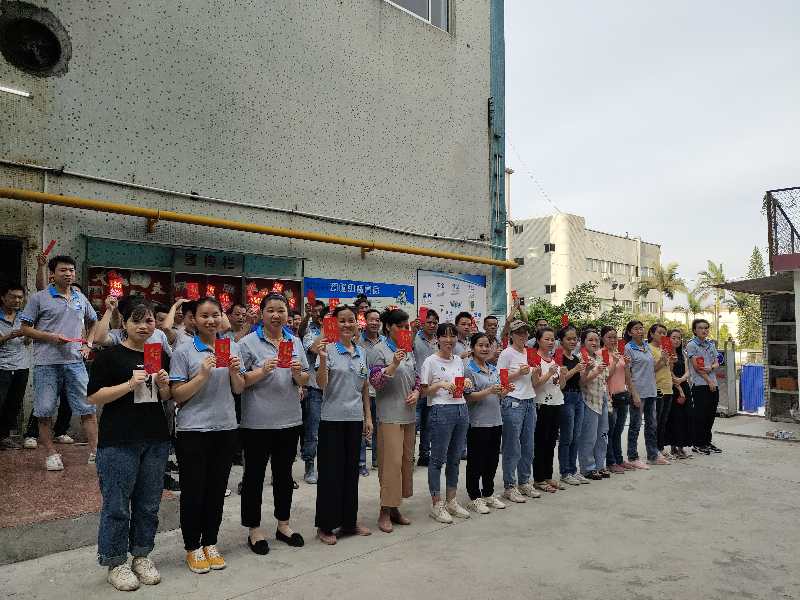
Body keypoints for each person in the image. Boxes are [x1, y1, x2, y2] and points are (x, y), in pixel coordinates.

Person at [87, 301, 172, 591]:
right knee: (117, 505)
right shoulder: (109, 356)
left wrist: (164, 384)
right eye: (137, 320)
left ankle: (141, 555)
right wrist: (128, 384)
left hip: (155, 438)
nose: (144, 326)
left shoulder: (157, 354)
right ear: (124, 323)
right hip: (119, 440)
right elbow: (93, 397)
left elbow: (165, 397)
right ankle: (115, 561)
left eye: (149, 320)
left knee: (148, 504)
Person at [169, 297, 245, 574]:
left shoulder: (231, 346)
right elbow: (177, 395)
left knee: (216, 490)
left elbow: (239, 389)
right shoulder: (184, 350)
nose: (211, 321)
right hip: (193, 430)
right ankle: (192, 546)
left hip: (225, 427)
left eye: (215, 315)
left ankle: (210, 542)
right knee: (193, 491)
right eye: (204, 316)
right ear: (194, 319)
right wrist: (202, 375)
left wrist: (235, 372)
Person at [238, 293, 309, 555]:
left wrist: (297, 373)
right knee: (254, 477)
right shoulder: (247, 343)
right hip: (257, 423)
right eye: (271, 310)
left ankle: (283, 525)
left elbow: (304, 380)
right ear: (261, 314)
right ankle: (254, 529)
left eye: (281, 310)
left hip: (289, 420)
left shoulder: (294, 341)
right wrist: (262, 370)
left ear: (288, 315)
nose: (276, 315)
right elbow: (239, 382)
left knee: (284, 476)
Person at [20, 254, 99, 471]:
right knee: (44, 410)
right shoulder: (39, 298)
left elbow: (93, 322)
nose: (68, 274)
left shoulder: (80, 298)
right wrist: (50, 337)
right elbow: (25, 328)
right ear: (52, 274)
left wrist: (88, 344)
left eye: (71, 270)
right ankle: (51, 454)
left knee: (88, 407)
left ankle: (95, 451)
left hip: (75, 362)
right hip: (46, 363)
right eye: (63, 270)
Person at [314, 304, 373, 545]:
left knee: (351, 473)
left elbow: (364, 387)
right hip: (332, 420)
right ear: (334, 323)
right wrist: (322, 359)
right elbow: (321, 384)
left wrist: (368, 417)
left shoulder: (362, 352)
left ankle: (349, 522)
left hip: (354, 420)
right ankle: (326, 525)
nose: (347, 324)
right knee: (331, 474)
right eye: (342, 320)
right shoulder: (327, 349)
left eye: (351, 320)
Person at [367, 308, 419, 532]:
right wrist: (394, 363)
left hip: (409, 415)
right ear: (389, 327)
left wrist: (416, 392)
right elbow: (375, 383)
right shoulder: (378, 350)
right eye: (401, 326)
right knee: (391, 464)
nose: (405, 330)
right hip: (390, 415)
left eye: (407, 327)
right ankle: (384, 511)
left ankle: (395, 506)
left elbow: (416, 378)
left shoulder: (409, 350)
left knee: (406, 462)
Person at [420, 322, 472, 523]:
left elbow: (460, 385)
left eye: (453, 336)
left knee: (455, 458)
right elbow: (424, 391)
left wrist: (465, 383)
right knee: (437, 460)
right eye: (445, 336)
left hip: (461, 408)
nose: (449, 340)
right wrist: (440, 384)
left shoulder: (458, 360)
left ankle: (451, 500)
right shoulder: (430, 361)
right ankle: (436, 504)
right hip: (441, 410)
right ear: (438, 339)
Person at [496, 320, 542, 503]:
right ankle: (510, 486)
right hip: (513, 401)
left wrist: (537, 372)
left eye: (525, 333)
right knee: (512, 446)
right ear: (512, 335)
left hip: (530, 401)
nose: (523, 336)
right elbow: (500, 379)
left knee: (528, 446)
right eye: (519, 332)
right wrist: (517, 373)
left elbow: (535, 381)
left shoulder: (530, 352)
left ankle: (524, 482)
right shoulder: (506, 353)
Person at [464, 332, 510, 514]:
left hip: (495, 420)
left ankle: (488, 493)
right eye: (480, 345)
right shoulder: (469, 369)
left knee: (492, 460)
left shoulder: (493, 368)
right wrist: (489, 390)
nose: (484, 349)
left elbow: (500, 394)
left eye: (487, 345)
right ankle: (474, 497)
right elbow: (468, 397)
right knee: (476, 461)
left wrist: (505, 390)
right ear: (472, 348)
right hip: (478, 422)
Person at [529, 327, 566, 492]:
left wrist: (562, 374)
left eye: (552, 339)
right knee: (541, 442)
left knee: (551, 442)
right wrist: (549, 373)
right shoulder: (534, 359)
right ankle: (538, 479)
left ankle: (548, 476)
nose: (551, 342)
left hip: (556, 403)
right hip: (541, 404)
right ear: (538, 340)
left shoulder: (554, 360)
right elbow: (535, 384)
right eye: (547, 339)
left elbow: (561, 386)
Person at [623, 320, 663, 468]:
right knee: (635, 425)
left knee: (652, 425)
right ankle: (633, 457)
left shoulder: (646, 346)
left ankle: (653, 455)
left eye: (641, 328)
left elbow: (652, 368)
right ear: (629, 332)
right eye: (636, 329)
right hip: (638, 392)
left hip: (651, 391)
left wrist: (663, 360)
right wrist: (634, 393)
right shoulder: (628, 348)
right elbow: (627, 373)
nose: (640, 331)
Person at [577, 329, 612, 480]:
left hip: (602, 399)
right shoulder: (580, 358)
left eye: (596, 340)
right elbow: (582, 382)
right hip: (588, 400)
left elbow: (605, 380)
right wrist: (596, 371)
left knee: (603, 435)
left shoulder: (599, 357)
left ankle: (600, 465)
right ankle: (588, 468)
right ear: (583, 342)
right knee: (589, 436)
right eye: (590, 340)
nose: (594, 342)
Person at [601, 326, 635, 474]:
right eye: (609, 337)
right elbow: (605, 376)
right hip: (610, 397)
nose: (613, 340)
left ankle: (619, 459)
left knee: (619, 430)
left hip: (622, 396)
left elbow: (627, 376)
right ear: (603, 338)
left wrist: (626, 364)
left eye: (615, 337)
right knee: (610, 431)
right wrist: (614, 362)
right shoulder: (601, 354)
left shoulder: (619, 353)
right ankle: (611, 461)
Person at [0, 283, 29, 450]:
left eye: (20, 297)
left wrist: (28, 335)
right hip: (2, 367)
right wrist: (8, 336)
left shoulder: (24, 317)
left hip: (21, 366)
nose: (17, 300)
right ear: (3, 297)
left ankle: (4, 437)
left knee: (13, 404)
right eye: (13, 297)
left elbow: (27, 342)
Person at [686, 319, 722, 454]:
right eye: (700, 328)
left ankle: (707, 442)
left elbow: (717, 362)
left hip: (713, 384)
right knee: (700, 416)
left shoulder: (710, 344)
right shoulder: (692, 345)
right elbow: (697, 368)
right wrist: (709, 381)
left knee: (710, 415)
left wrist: (711, 367)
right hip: (700, 385)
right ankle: (698, 444)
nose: (704, 330)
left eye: (706, 328)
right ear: (694, 330)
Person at [300, 299, 326, 484]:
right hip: (314, 387)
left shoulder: (339, 334)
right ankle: (309, 466)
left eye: (320, 311)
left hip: (332, 388)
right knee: (313, 431)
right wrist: (326, 329)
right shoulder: (310, 331)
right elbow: (315, 348)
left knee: (329, 431)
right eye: (314, 311)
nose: (317, 314)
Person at [557, 325, 586, 485]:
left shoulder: (576, 358)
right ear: (561, 341)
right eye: (569, 339)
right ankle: (565, 471)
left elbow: (581, 382)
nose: (573, 341)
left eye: (575, 339)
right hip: (566, 397)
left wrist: (586, 370)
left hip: (578, 396)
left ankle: (573, 470)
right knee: (567, 436)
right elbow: (561, 380)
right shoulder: (559, 357)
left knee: (576, 436)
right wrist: (575, 369)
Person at [357, 308, 383, 475]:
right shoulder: (357, 341)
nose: (374, 322)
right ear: (365, 321)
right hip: (362, 391)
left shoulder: (385, 341)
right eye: (371, 319)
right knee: (362, 428)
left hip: (380, 391)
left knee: (378, 428)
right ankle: (361, 463)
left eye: (377, 320)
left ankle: (377, 459)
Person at [413, 308, 438, 467]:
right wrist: (412, 332)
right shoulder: (415, 337)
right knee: (414, 423)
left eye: (435, 322)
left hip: (432, 389)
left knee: (428, 425)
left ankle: (424, 455)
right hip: (416, 387)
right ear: (423, 323)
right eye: (429, 322)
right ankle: (409, 455)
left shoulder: (439, 340)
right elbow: (406, 349)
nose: (432, 325)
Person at [648, 323, 676, 461]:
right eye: (659, 332)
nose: (663, 335)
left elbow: (668, 369)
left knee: (664, 421)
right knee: (655, 421)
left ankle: (660, 448)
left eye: (665, 333)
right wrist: (662, 359)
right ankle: (653, 450)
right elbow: (651, 369)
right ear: (652, 334)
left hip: (668, 387)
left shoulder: (664, 348)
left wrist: (671, 361)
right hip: (657, 388)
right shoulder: (649, 348)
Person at [665, 329, 693, 459]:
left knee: (686, 417)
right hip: (672, 389)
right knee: (674, 418)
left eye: (679, 338)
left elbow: (688, 371)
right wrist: (679, 387)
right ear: (668, 339)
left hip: (684, 386)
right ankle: (673, 447)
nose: (677, 340)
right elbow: (668, 372)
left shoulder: (683, 353)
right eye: (674, 338)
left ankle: (681, 447)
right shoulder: (666, 354)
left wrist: (682, 380)